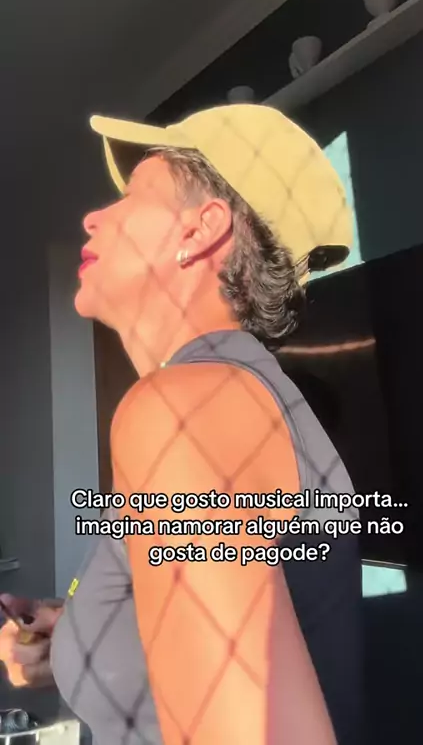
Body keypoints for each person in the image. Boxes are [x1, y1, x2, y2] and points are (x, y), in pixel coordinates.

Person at [0, 104, 364, 745]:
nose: (92, 217)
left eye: (132, 196)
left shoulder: (186, 408)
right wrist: (77, 630)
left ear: (201, 230)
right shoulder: (223, 398)